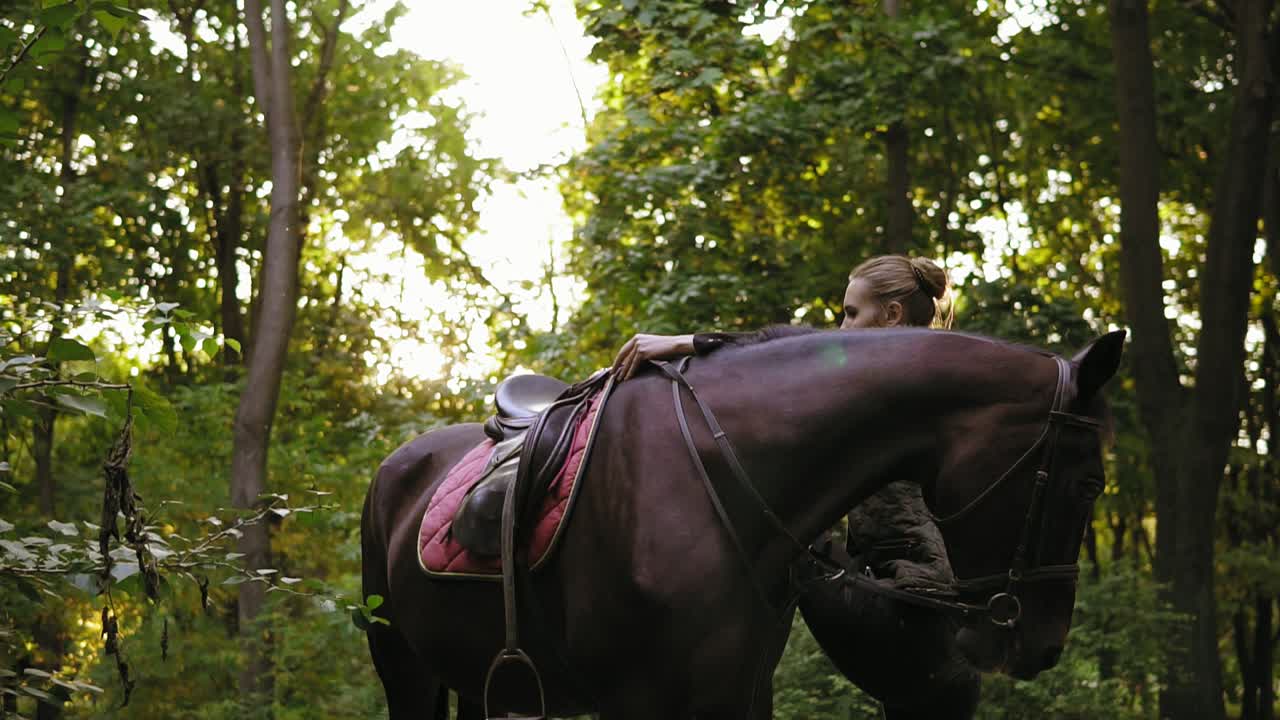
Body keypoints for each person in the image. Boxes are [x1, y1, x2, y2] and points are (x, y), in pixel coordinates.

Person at [610, 254, 956, 592]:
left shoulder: (910, 379)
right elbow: (782, 349)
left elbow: (785, 351)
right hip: (882, 574)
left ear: (892, 314)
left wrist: (678, 342)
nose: (841, 327)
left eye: (851, 314)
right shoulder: (890, 371)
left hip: (921, 587)